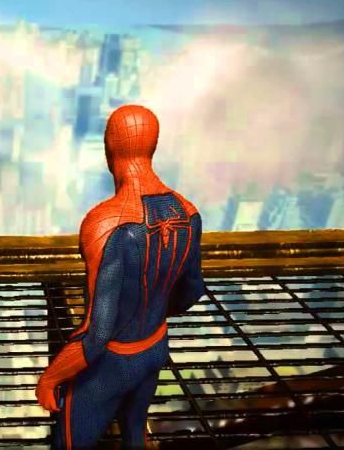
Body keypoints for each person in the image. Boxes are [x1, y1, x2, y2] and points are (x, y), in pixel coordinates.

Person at [35, 104, 206, 449]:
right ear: (153, 145)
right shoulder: (188, 212)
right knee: (135, 434)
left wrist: (50, 378)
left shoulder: (106, 223)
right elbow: (192, 291)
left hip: (113, 362)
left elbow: (96, 333)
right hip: (156, 347)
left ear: (109, 147)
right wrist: (151, 309)